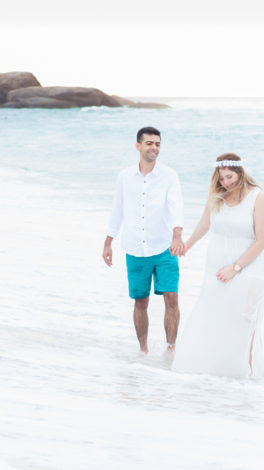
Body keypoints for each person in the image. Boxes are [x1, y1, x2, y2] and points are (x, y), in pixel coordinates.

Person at [172, 153, 264, 378]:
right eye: (221, 178)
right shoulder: (217, 197)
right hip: (215, 267)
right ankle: (218, 375)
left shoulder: (258, 197)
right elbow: (204, 225)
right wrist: (187, 245)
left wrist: (235, 268)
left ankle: (245, 376)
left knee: (243, 323)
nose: (225, 182)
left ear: (240, 174)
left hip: (248, 268)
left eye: (229, 177)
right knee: (214, 318)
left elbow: (262, 240)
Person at [103, 127, 185, 354]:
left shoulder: (170, 176)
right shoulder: (124, 176)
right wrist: (108, 242)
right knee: (140, 301)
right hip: (135, 247)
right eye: (149, 143)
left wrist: (177, 235)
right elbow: (117, 209)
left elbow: (176, 206)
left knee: (172, 297)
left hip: (164, 246)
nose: (154, 148)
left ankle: (171, 348)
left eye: (157, 144)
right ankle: (143, 350)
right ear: (138, 146)